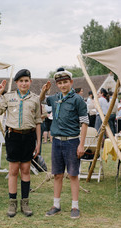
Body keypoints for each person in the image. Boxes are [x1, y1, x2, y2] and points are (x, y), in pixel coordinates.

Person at [0, 69, 41, 218]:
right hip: (13, 136)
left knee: (25, 170)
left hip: (29, 136)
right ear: (17, 83)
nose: (24, 83)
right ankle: (12, 202)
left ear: (30, 82)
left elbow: (38, 121)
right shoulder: (8, 97)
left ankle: (25, 203)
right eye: (21, 81)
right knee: (13, 171)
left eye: (26, 80)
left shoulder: (35, 99)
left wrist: (39, 142)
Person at [40, 67, 88, 219]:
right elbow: (41, 100)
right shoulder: (54, 98)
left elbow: (85, 123)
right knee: (57, 174)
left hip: (72, 141)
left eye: (65, 82)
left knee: (73, 175)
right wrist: (44, 90)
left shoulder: (78, 99)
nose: (63, 85)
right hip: (56, 142)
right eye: (60, 83)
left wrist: (81, 145)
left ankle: (75, 206)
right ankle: (56, 205)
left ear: (71, 82)